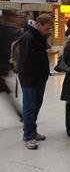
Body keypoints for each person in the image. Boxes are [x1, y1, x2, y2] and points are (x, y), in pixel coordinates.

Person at [18, 14, 57, 150]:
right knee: (30, 107)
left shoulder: (38, 36)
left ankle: (31, 131)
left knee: (36, 106)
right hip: (29, 77)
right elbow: (28, 59)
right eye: (47, 29)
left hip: (39, 76)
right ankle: (29, 136)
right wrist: (46, 52)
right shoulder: (29, 37)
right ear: (38, 24)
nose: (48, 31)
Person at [0, 11, 24, 121]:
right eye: (17, 17)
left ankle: (20, 115)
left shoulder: (5, 29)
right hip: (1, 70)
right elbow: (6, 51)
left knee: (7, 93)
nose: (20, 19)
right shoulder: (10, 31)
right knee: (7, 93)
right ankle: (21, 115)